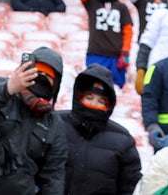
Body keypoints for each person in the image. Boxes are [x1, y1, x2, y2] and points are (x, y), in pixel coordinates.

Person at [0, 46, 66, 195]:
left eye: (48, 76)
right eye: (37, 72)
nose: (40, 78)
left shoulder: (53, 122)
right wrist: (7, 89)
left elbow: (53, 175)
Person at [58, 64, 141, 195]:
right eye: (89, 98)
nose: (94, 105)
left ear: (109, 105)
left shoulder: (122, 140)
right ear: (79, 97)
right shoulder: (57, 123)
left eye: (100, 101)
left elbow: (129, 186)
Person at [76, 0, 133, 88]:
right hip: (95, 54)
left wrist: (126, 52)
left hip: (116, 56)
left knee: (117, 89)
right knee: (93, 86)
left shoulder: (122, 7)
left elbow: (128, 30)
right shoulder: (91, 3)